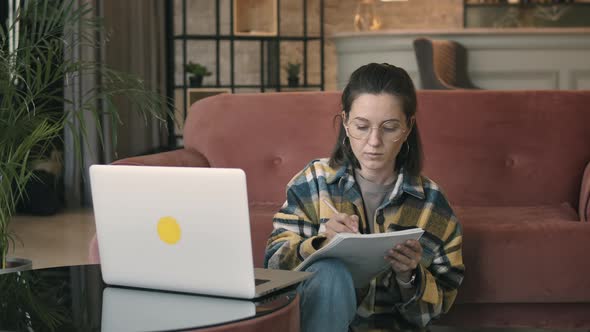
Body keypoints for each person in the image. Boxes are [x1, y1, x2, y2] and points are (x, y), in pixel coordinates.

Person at [264, 63, 465, 332]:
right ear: (346, 122)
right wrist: (321, 244)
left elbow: (434, 312)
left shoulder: (431, 204)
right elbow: (274, 266)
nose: (373, 142)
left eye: (389, 128)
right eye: (361, 126)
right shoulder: (315, 181)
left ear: (407, 127)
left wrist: (409, 277)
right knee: (330, 272)